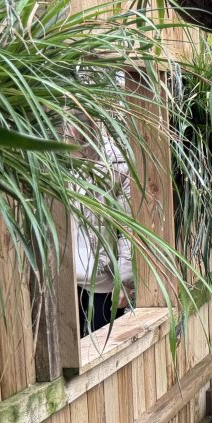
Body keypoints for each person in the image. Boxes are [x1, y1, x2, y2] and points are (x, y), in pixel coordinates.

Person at [73, 135, 134, 335]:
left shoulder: (116, 162)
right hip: (62, 278)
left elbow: (128, 227)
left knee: (105, 347)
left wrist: (124, 281)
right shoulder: (48, 154)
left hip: (103, 280)